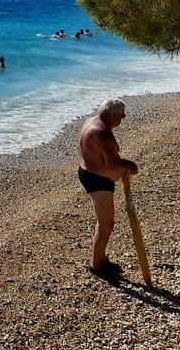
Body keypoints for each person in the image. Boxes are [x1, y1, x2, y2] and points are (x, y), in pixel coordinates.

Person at [77, 98, 138, 279]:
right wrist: (128, 165)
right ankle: (96, 265)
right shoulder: (104, 133)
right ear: (112, 114)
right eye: (122, 116)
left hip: (86, 171)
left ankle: (101, 257)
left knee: (103, 222)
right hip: (97, 179)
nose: (122, 120)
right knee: (106, 224)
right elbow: (112, 165)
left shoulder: (90, 121)